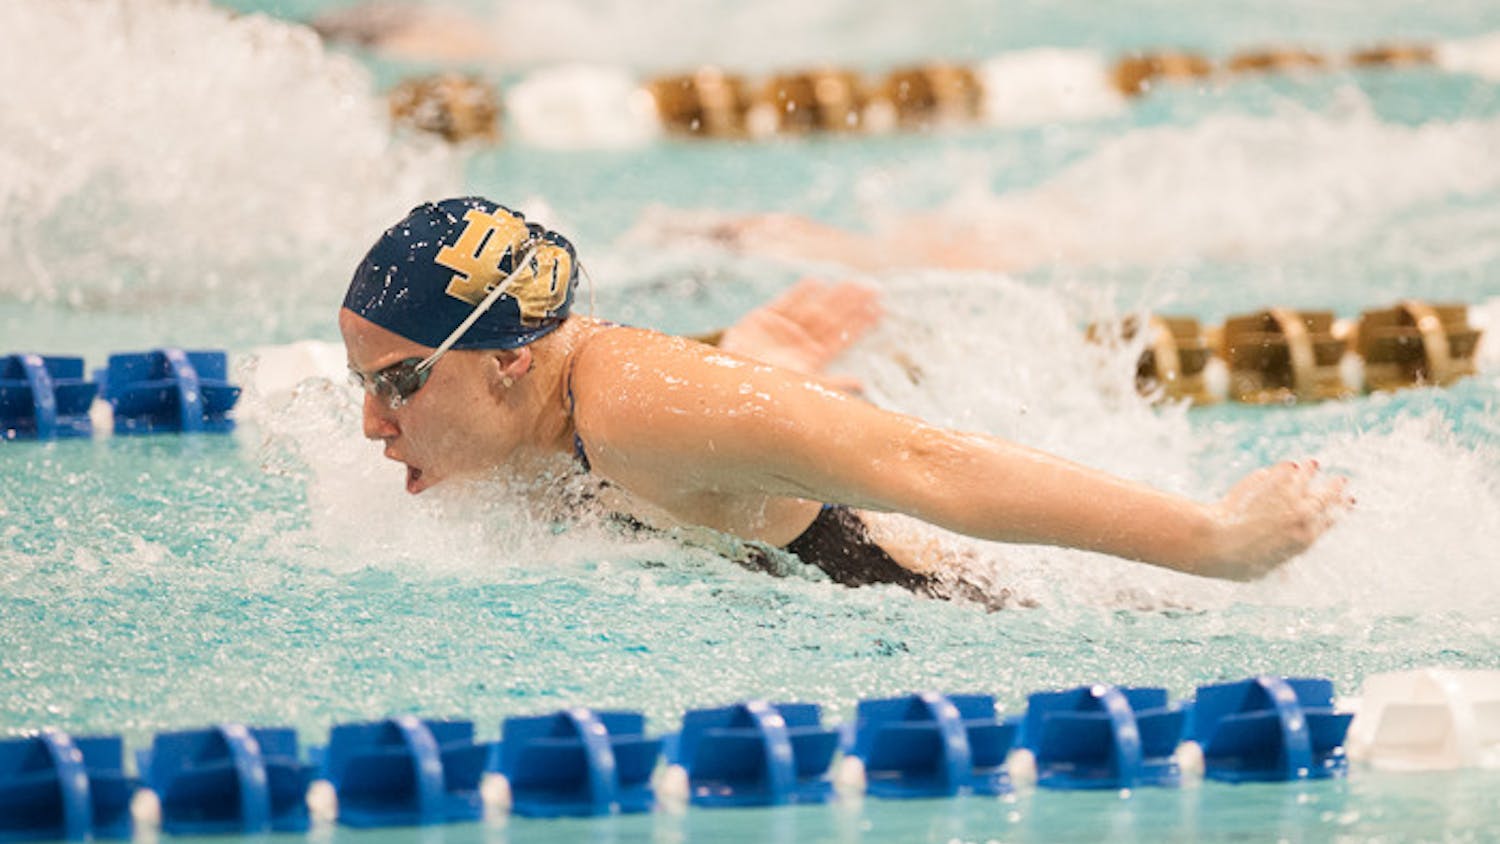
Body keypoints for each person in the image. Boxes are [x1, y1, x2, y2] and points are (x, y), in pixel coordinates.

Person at [340, 197, 1350, 607]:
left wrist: (1216, 539)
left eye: (400, 382)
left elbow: (927, 467)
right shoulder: (558, 403)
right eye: (365, 385)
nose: (375, 424)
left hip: (970, 609)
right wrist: (744, 373)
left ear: (507, 360)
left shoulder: (641, 404)